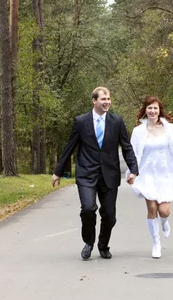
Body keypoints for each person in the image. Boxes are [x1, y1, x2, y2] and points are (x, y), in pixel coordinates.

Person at [52, 87, 138, 261]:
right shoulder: (81, 121)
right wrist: (58, 172)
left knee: (109, 215)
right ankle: (89, 242)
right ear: (94, 101)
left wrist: (133, 170)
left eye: (108, 99)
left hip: (109, 174)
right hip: (86, 174)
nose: (107, 102)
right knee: (88, 209)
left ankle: (103, 245)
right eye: (103, 99)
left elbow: (126, 147)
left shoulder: (117, 121)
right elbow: (70, 147)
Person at [127, 96, 173, 258]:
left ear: (160, 111)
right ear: (145, 110)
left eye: (155, 108)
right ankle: (156, 243)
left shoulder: (168, 128)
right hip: (147, 173)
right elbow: (133, 153)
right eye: (149, 108)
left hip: (165, 173)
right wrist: (132, 172)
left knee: (163, 210)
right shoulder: (138, 131)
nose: (152, 111)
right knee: (152, 208)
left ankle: (165, 222)